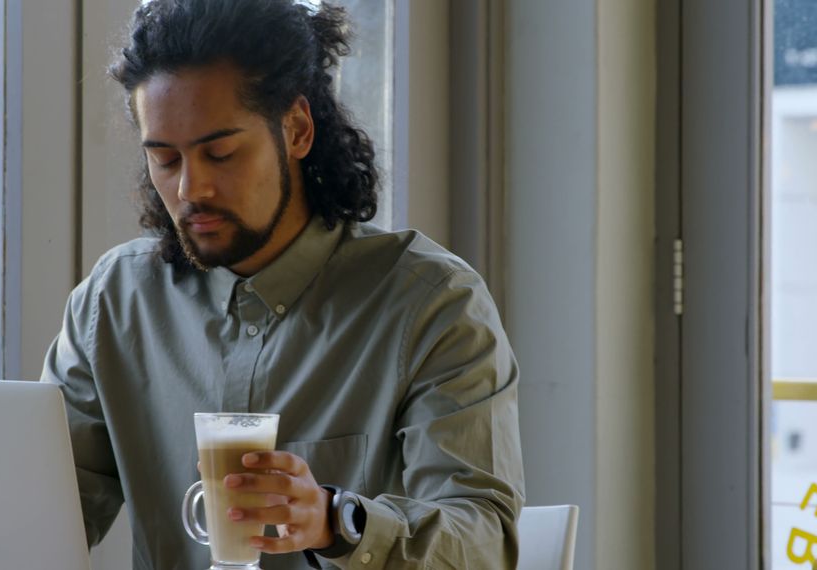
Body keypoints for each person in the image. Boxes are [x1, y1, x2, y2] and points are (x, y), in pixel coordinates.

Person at [40, 0, 524, 568]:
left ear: (295, 129)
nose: (192, 189)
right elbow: (36, 515)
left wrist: (334, 519)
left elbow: (486, 540)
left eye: (220, 153)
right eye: (165, 159)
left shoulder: (431, 303)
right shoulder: (114, 302)